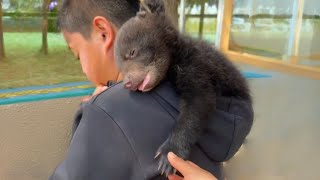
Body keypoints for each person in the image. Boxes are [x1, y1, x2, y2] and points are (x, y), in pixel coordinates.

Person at [49, 0, 253, 179]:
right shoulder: (188, 88)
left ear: (103, 32)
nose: (82, 69)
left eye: (77, 55)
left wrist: (95, 113)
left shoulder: (106, 111)